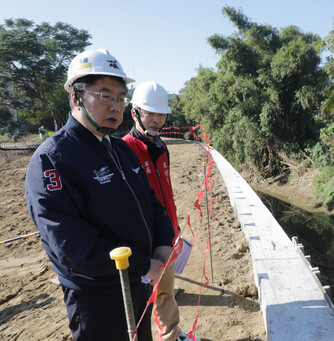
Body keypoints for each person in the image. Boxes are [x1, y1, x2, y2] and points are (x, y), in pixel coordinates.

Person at [25, 49, 174, 341]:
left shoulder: (120, 149)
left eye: (120, 97)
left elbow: (152, 205)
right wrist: (144, 264)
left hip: (138, 284)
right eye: (105, 96)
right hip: (98, 298)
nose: (116, 106)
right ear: (75, 97)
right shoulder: (53, 160)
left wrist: (163, 245)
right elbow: (71, 247)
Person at [123, 81, 199, 341]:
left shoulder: (162, 147)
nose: (156, 120)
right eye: (149, 113)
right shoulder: (124, 150)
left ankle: (172, 335)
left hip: (167, 233)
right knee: (144, 302)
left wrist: (173, 228)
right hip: (144, 243)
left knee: (166, 292)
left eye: (161, 114)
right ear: (135, 113)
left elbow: (166, 190)